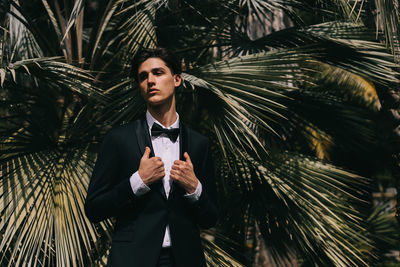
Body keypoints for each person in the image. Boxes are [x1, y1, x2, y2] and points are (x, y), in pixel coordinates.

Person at [84, 47, 218, 267]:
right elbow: (94, 209)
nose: (150, 81)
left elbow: (210, 218)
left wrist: (195, 188)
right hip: (132, 260)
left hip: (185, 260)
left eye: (158, 73)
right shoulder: (118, 139)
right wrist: (138, 181)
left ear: (176, 80)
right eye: (143, 76)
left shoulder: (199, 143)